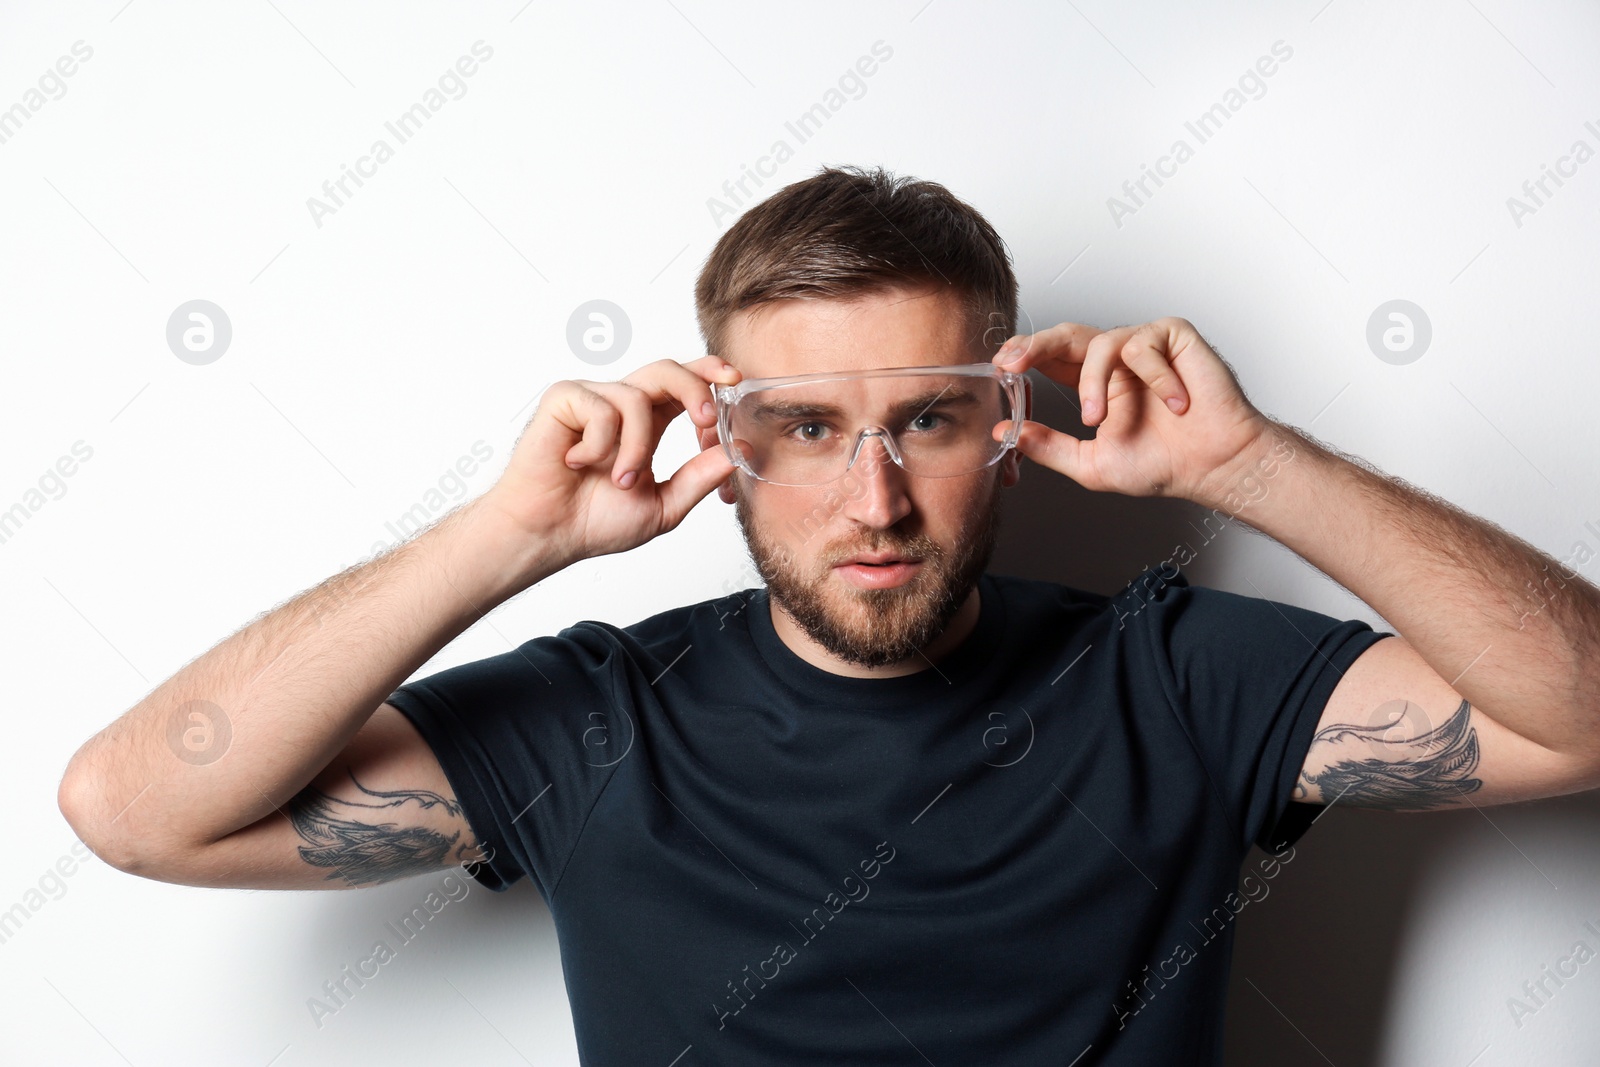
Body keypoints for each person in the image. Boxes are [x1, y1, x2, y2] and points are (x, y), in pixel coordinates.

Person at [58, 165, 1600, 1066]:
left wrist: (1253, 465)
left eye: (927, 421)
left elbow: (1579, 718)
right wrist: (504, 536)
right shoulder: (600, 725)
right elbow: (135, 810)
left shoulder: (1173, 674)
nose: (874, 501)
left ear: (1009, 423)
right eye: (806, 430)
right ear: (720, 442)